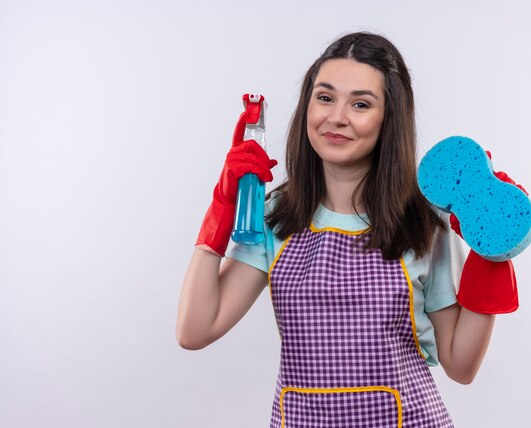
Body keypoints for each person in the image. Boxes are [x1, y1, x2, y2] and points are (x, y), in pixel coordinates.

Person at [177, 32, 511, 428]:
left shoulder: (423, 222)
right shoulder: (276, 217)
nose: (336, 117)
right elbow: (195, 330)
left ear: (389, 118)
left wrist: (493, 250)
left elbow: (461, 365)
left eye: (361, 104)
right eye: (324, 97)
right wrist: (221, 209)